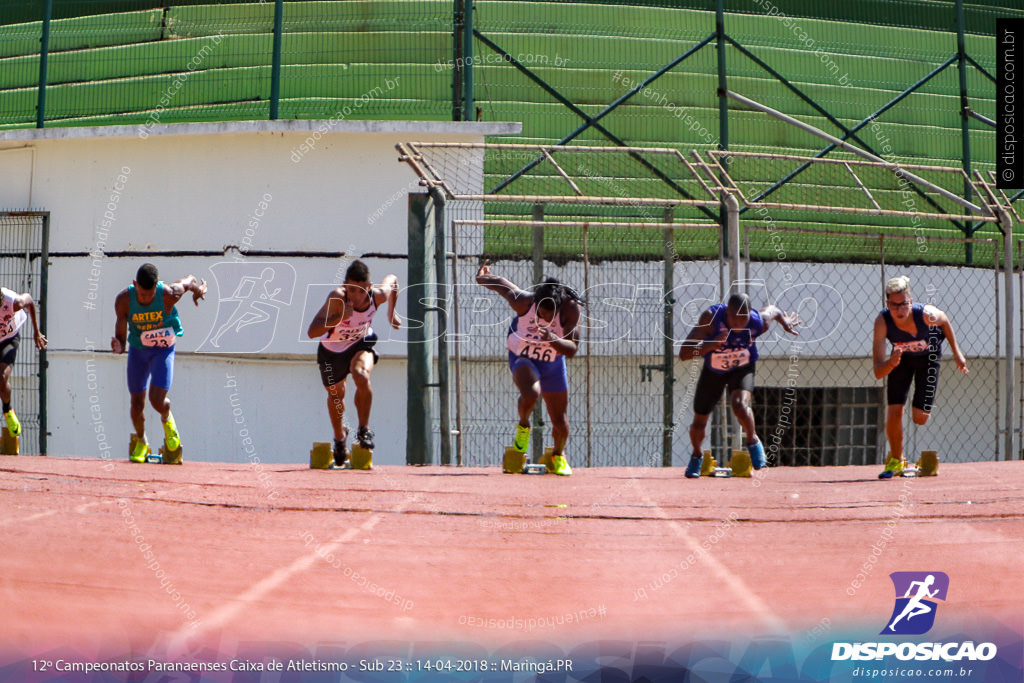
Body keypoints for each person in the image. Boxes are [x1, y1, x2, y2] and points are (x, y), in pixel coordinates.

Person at [475, 260, 581, 476]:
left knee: (560, 421)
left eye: (549, 316)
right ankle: (523, 428)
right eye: (541, 313)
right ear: (536, 304)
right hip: (523, 356)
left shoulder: (570, 310)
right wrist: (482, 276)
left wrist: (552, 339)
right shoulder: (524, 302)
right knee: (531, 393)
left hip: (552, 361)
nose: (544, 319)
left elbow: (571, 350)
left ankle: (557, 456)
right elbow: (500, 284)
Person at [679, 292, 800, 478]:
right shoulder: (711, 318)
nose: (737, 323)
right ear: (727, 313)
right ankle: (696, 455)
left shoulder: (757, 322)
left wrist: (785, 323)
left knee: (740, 405)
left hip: (742, 368)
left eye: (742, 319)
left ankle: (752, 441)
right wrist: (711, 344)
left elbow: (773, 311)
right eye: (734, 318)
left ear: (749, 315)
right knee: (700, 418)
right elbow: (684, 353)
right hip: (714, 371)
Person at [872, 276, 967, 479]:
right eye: (894, 305)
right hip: (901, 359)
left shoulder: (926, 315)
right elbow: (878, 371)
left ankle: (906, 454)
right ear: (887, 304)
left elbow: (946, 322)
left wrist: (957, 354)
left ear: (911, 301)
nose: (900, 310)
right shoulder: (882, 322)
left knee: (920, 418)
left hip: (929, 359)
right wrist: (891, 362)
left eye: (904, 304)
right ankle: (897, 459)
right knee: (894, 411)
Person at [307, 260, 400, 467]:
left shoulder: (377, 296)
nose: (356, 297)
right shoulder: (337, 298)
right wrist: (338, 317)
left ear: (369, 287)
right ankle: (340, 438)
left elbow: (392, 280)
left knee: (361, 374)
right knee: (336, 395)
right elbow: (312, 331)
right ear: (344, 286)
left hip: (360, 343)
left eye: (361, 291)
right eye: (351, 290)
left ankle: (364, 429)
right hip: (331, 352)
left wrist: (391, 314)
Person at [112, 264, 207, 462]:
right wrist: (119, 346)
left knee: (157, 399)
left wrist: (197, 291)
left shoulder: (169, 293)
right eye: (142, 294)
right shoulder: (123, 301)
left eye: (150, 295)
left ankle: (168, 420)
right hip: (139, 350)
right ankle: (141, 440)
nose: (146, 299)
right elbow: (120, 335)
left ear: (157, 287)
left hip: (163, 349)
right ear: (134, 284)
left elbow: (189, 279)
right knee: (136, 403)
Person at [0, 286, 47, 438]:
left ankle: (7, 410)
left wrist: (36, 332)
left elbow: (30, 301)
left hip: (9, 338)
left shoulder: (14, 302)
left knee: (2, 379)